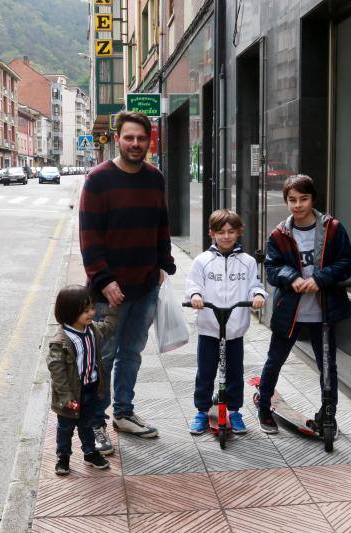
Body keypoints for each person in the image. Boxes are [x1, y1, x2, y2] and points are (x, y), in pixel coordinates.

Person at [79, 110, 176, 453]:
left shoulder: (155, 178)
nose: (135, 144)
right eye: (129, 138)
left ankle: (123, 413)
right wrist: (104, 280)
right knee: (104, 357)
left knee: (132, 353)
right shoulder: (98, 179)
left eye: (141, 138)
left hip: (146, 285)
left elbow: (161, 224)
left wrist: (164, 263)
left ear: (149, 140)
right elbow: (89, 237)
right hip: (109, 293)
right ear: (117, 139)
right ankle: (95, 422)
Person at [257, 175, 351, 434]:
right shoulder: (280, 233)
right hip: (290, 311)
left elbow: (346, 263)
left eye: (303, 199)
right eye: (292, 200)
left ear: (313, 199)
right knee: (274, 360)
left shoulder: (333, 228)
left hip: (324, 312)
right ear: (286, 201)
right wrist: (292, 279)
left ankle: (328, 414)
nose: (298, 205)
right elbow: (271, 267)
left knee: (327, 366)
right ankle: (264, 408)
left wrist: (320, 279)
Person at [185, 209, 267, 434]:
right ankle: (202, 411)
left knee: (234, 372)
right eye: (220, 232)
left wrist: (258, 295)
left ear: (239, 232)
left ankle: (234, 411)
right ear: (212, 233)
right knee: (206, 371)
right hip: (209, 327)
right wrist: (195, 296)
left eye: (231, 231)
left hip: (234, 329)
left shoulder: (247, 262)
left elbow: (254, 285)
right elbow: (193, 284)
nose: (226, 236)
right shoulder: (202, 261)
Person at [46, 285, 117, 475]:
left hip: (90, 389)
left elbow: (108, 327)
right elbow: (57, 371)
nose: (91, 313)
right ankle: (63, 457)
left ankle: (90, 453)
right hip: (70, 394)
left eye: (92, 308)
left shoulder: (91, 329)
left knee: (88, 424)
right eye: (85, 311)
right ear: (69, 312)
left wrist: (112, 309)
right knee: (66, 427)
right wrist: (67, 397)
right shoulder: (61, 340)